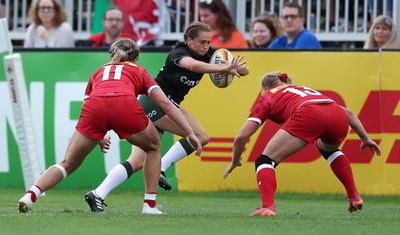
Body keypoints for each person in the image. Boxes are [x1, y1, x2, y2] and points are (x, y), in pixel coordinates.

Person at [17, 38, 202, 215]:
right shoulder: (138, 70)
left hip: (94, 108)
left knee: (67, 163)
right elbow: (166, 104)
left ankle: (30, 195)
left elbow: (91, 107)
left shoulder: (97, 72)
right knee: (153, 147)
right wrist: (190, 132)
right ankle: (149, 205)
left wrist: (99, 136)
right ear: (136, 57)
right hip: (124, 104)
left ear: (111, 55)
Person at [84, 22, 249, 212]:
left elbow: (244, 71)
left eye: (208, 42)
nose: (206, 46)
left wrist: (231, 66)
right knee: (200, 137)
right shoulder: (179, 53)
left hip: (170, 105)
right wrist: (222, 69)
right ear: (188, 40)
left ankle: (98, 194)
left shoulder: (209, 54)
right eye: (202, 42)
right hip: (153, 102)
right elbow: (193, 66)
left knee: (137, 161)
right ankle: (160, 170)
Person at [223, 71, 381, 217]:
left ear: (265, 87)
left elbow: (241, 137)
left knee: (264, 161)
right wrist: (365, 138)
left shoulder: (268, 97)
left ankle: (268, 207)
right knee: (328, 149)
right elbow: (349, 113)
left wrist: (235, 160)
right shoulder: (302, 89)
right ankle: (354, 195)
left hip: (309, 113)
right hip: (337, 115)